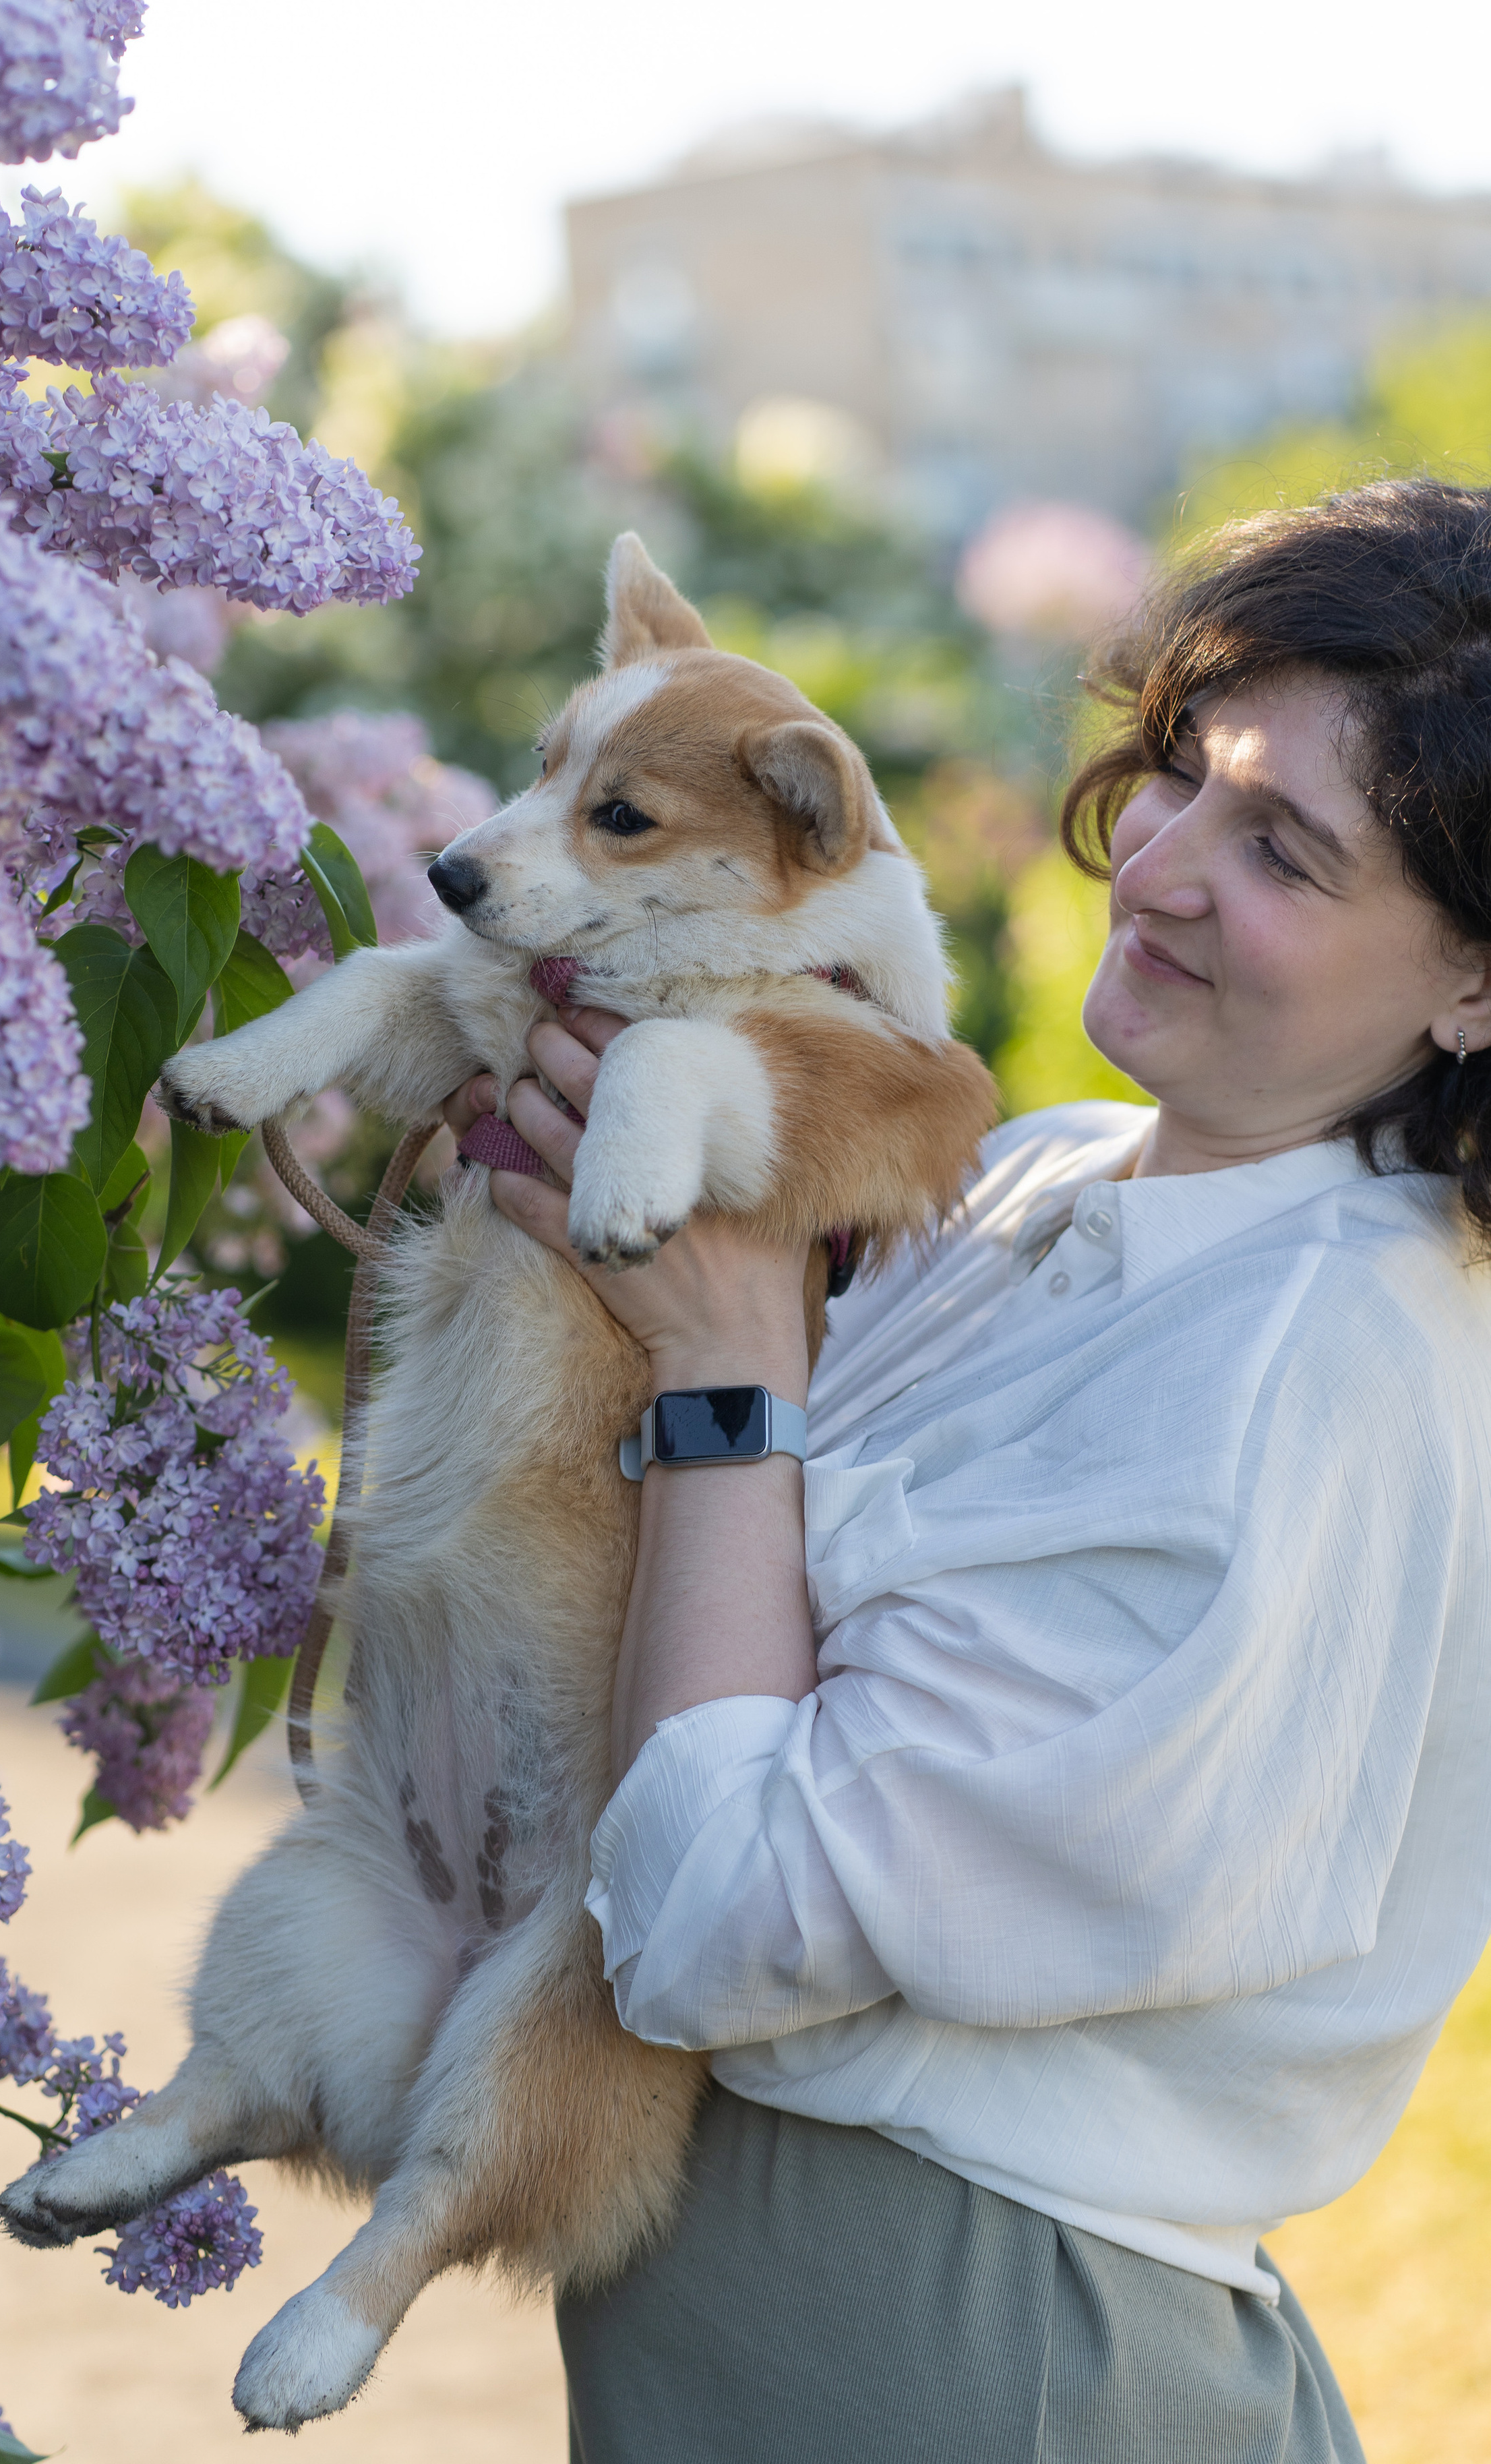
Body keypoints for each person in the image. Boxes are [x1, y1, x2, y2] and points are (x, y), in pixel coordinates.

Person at [444, 479, 1491, 2463]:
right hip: (800, 2317)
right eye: (1185, 770)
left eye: (1283, 848)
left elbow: (715, 1920)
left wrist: (728, 1372)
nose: (1164, 861)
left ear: (1477, 987)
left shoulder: (1315, 1362)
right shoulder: (1042, 1173)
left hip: (969, 2345)